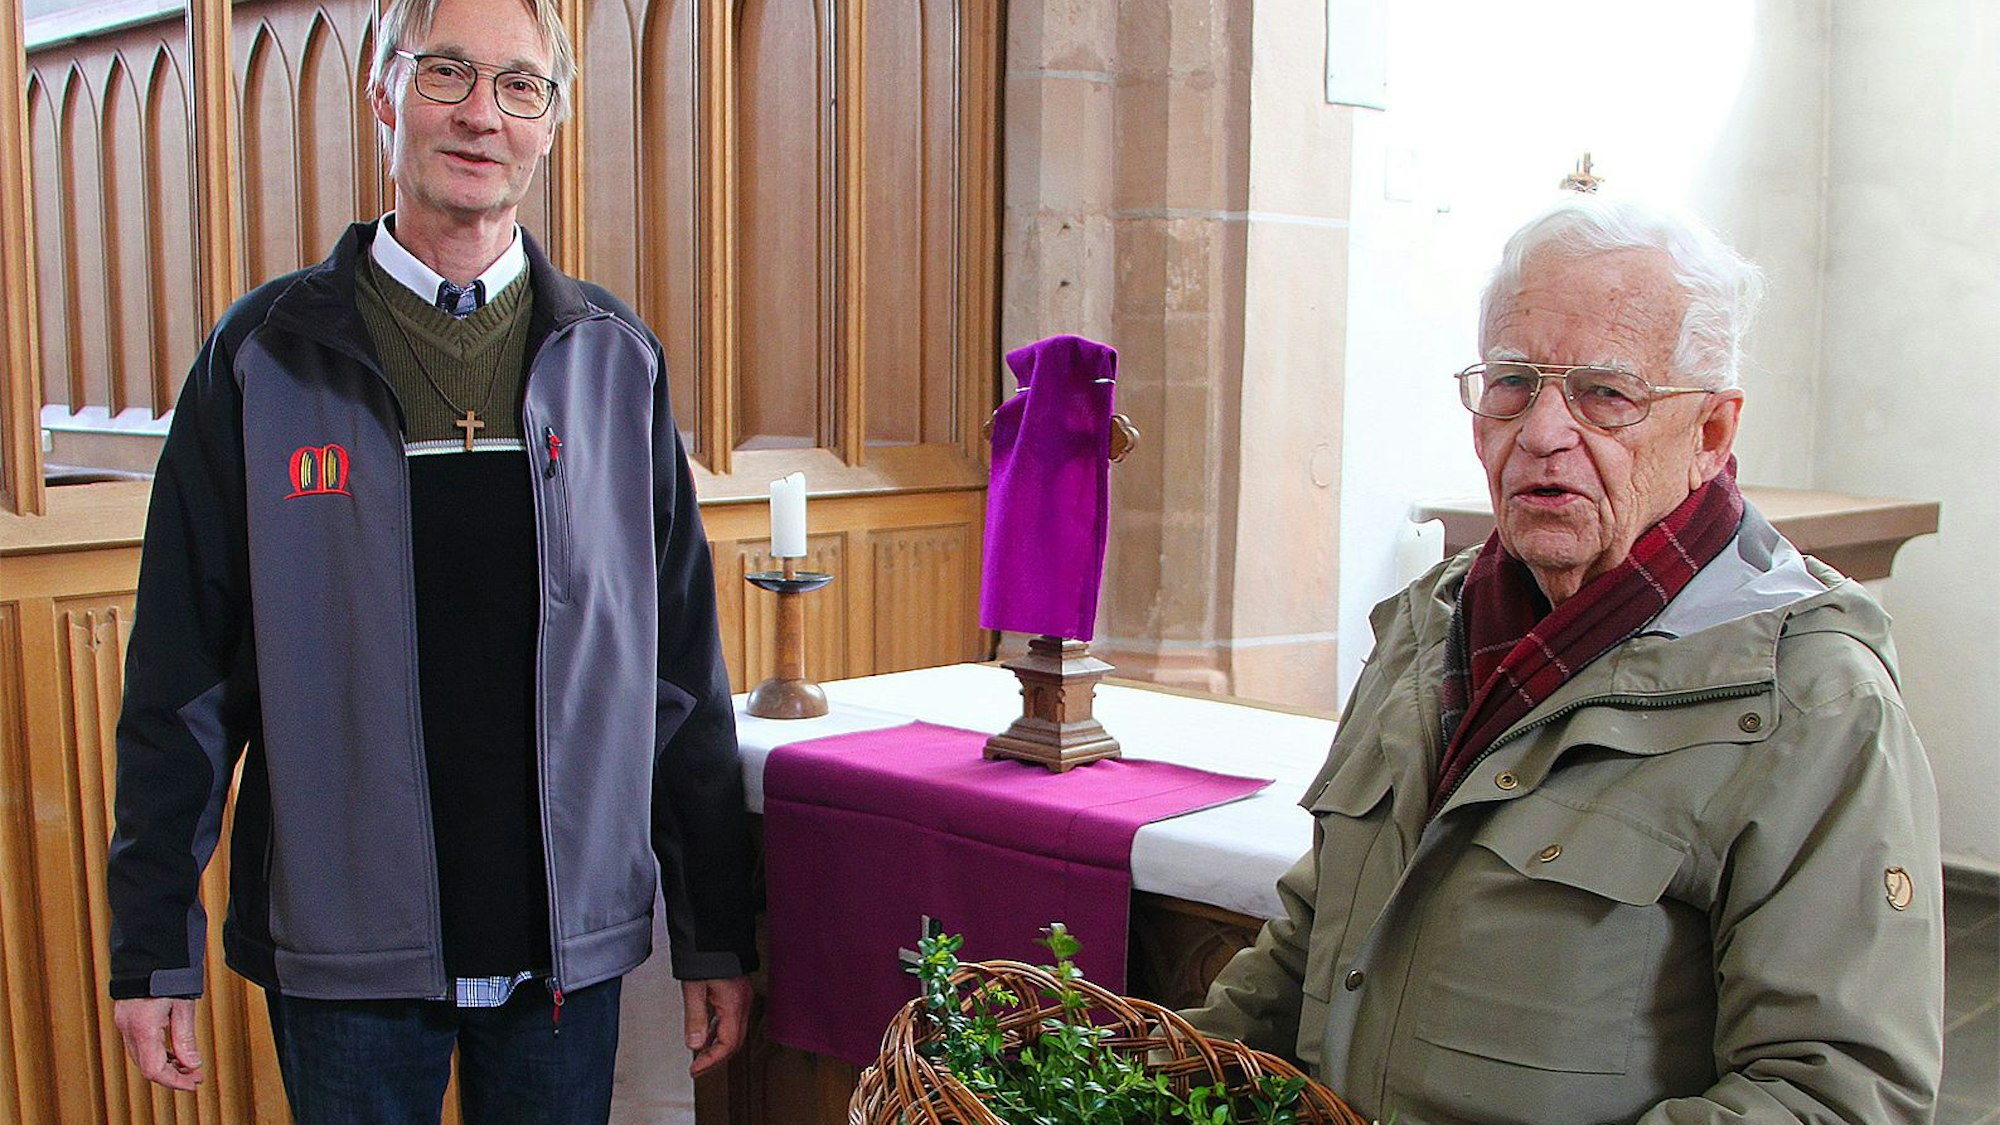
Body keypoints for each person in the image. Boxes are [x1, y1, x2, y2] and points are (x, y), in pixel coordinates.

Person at [104, 0, 757, 1117]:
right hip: (347, 943)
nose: (481, 115)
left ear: (550, 122)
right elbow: (183, 674)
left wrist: (709, 936)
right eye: (447, 73)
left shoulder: (613, 362)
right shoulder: (264, 356)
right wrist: (152, 941)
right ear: (382, 92)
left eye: (519, 86)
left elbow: (676, 676)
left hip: (563, 940)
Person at [1185, 198, 1945, 1124]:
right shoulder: (1431, 628)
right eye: (1513, 383)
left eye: (1605, 393)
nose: (1542, 432)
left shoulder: (1815, 701)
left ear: (1710, 432)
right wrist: (1162, 1085)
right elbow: (1314, 940)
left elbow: (1834, 1091)